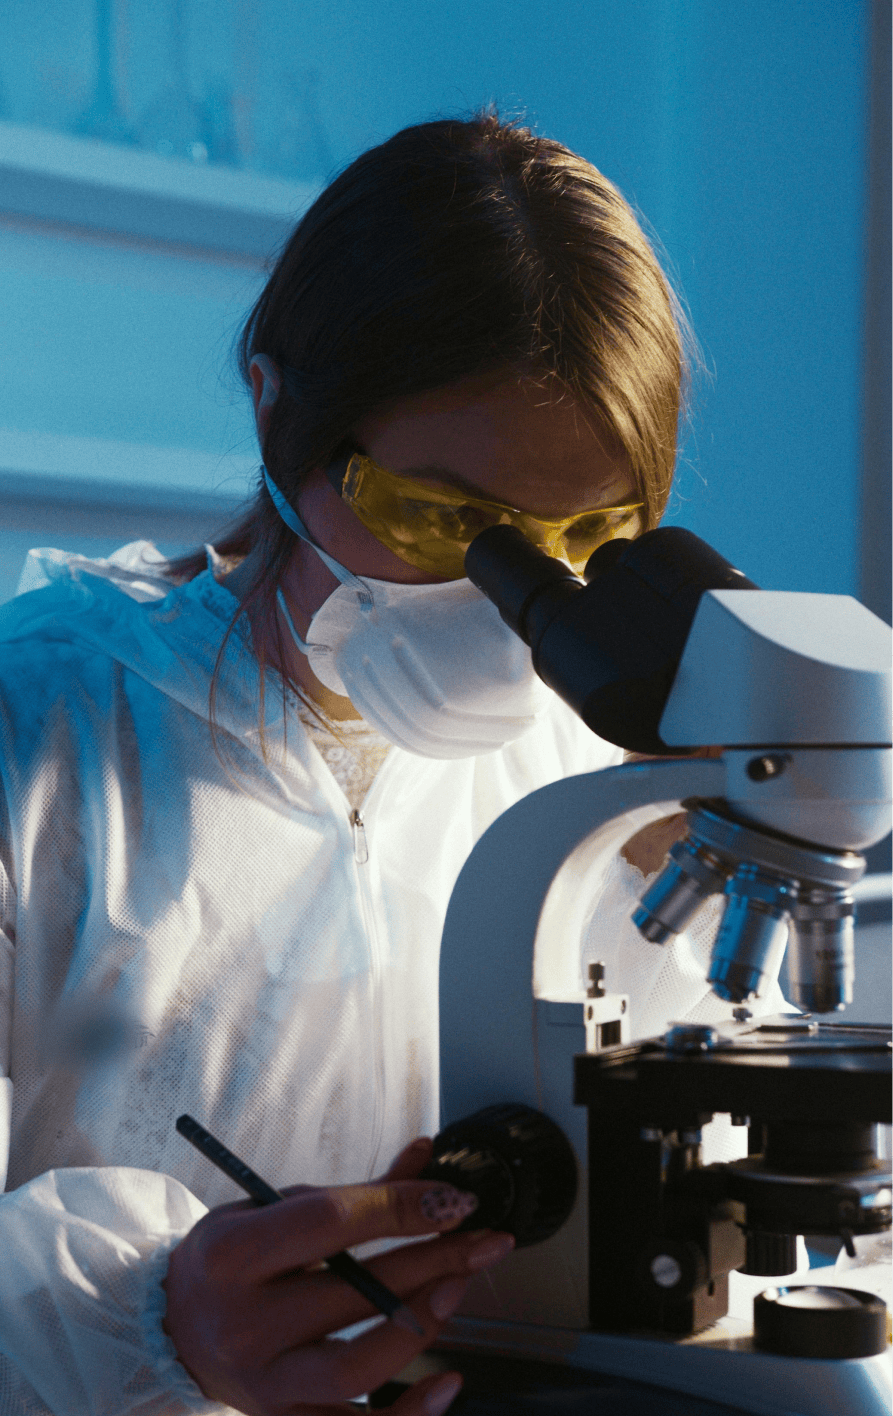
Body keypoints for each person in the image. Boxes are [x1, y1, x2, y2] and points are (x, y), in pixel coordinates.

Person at [0, 113, 785, 1415]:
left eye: (590, 533)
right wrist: (139, 1332)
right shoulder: (46, 730)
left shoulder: (590, 760)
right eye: (440, 519)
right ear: (277, 410)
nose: (507, 597)